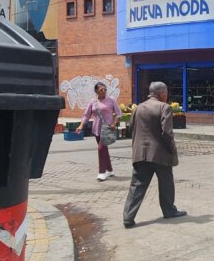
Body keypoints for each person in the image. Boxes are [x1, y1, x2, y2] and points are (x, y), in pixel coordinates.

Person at [121, 81, 185, 228]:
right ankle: (169, 210)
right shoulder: (164, 107)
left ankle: (128, 217)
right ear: (162, 93)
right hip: (159, 153)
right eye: (166, 92)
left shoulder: (138, 108)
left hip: (140, 153)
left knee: (137, 185)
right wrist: (172, 150)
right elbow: (167, 133)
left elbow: (131, 128)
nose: (167, 95)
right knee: (166, 183)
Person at [76, 82, 120, 181]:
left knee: (101, 149)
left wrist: (114, 123)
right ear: (96, 91)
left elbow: (118, 113)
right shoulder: (92, 101)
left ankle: (102, 172)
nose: (103, 91)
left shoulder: (111, 100)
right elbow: (86, 115)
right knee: (104, 150)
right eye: (101, 90)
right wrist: (81, 126)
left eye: (105, 89)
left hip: (107, 129)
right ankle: (109, 170)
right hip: (96, 129)